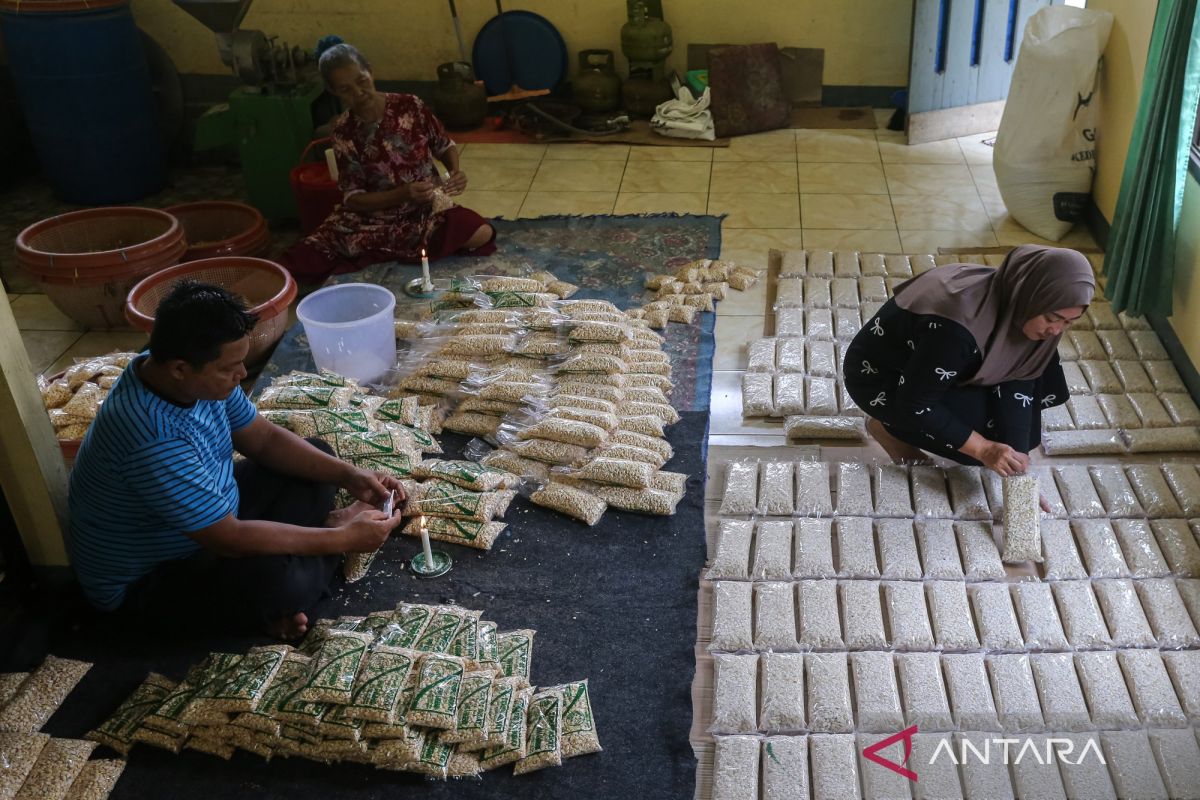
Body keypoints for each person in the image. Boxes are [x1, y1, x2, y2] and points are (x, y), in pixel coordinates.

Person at [68, 281, 406, 640]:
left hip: (211, 515)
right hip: (152, 579)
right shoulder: (149, 437)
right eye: (230, 367)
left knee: (318, 458)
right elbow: (228, 538)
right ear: (180, 368)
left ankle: (316, 541)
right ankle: (296, 575)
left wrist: (350, 476)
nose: (243, 375)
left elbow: (264, 439)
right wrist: (342, 541)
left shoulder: (178, 376)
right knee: (277, 583)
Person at [843, 245, 1096, 476]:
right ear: (1031, 296)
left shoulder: (1018, 300)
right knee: (982, 439)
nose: (1056, 330)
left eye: (1068, 322)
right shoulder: (956, 330)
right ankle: (888, 429)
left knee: (1028, 414)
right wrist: (984, 449)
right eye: (1053, 318)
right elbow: (915, 403)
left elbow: (1018, 381)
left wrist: (1017, 465)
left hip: (942, 365)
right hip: (884, 379)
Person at [281, 41, 496, 283]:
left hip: (425, 211)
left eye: (362, 81)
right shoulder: (344, 131)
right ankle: (380, 248)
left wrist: (455, 172)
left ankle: (375, 252)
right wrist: (403, 194)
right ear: (334, 92)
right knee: (298, 262)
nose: (359, 93)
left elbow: (444, 145)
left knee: (481, 232)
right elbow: (354, 199)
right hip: (373, 219)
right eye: (345, 90)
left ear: (370, 71)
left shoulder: (410, 106)